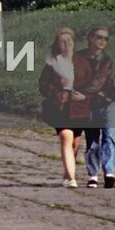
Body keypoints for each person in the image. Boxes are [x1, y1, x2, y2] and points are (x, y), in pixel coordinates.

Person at [39, 27, 87, 188]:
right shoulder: (52, 63)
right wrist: (56, 88)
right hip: (60, 106)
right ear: (58, 45)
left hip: (78, 107)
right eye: (62, 41)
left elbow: (92, 82)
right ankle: (72, 178)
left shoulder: (82, 62)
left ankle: (67, 173)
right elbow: (42, 86)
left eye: (69, 41)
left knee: (75, 143)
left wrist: (83, 94)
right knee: (66, 136)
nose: (67, 44)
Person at [77, 26, 115, 188]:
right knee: (92, 138)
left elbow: (98, 82)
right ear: (90, 38)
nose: (102, 41)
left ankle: (109, 172)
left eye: (105, 39)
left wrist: (83, 94)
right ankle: (93, 174)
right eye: (99, 37)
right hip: (88, 103)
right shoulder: (78, 57)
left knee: (109, 135)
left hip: (106, 100)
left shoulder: (106, 60)